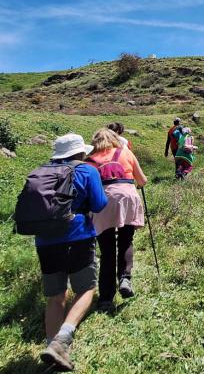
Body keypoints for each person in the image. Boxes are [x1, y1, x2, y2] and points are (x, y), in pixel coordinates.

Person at [34, 134, 108, 371]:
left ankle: (51, 348)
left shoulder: (41, 171)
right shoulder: (87, 171)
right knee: (86, 288)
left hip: (44, 240)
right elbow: (99, 204)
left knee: (56, 295)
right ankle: (62, 340)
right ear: (80, 153)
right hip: (77, 235)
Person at [87, 128, 148, 312]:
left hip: (103, 202)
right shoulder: (125, 152)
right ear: (115, 139)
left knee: (107, 251)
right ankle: (125, 278)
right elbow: (142, 181)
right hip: (127, 198)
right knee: (126, 240)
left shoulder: (89, 160)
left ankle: (106, 298)